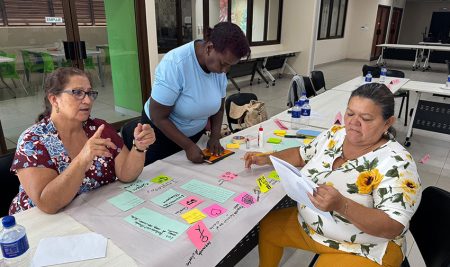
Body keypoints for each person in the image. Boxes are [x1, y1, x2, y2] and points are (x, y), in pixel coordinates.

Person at [244, 83, 422, 267]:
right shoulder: (336, 134)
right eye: (350, 113)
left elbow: (393, 226)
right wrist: (268, 158)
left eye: (366, 118)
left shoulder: (398, 163)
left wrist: (342, 205)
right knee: (269, 227)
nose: (353, 123)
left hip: (365, 249)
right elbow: (302, 154)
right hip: (311, 227)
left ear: (388, 122)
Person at [9, 67, 155, 215]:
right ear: (54, 99)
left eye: (89, 93)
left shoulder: (99, 129)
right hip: (38, 223)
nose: (87, 100)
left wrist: (139, 147)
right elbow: (48, 204)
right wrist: (82, 160)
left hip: (94, 211)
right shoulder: (33, 140)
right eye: (77, 93)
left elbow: (126, 174)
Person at [142, 22, 251, 165]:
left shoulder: (217, 67)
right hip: (160, 136)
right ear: (209, 48)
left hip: (193, 137)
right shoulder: (175, 64)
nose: (225, 70)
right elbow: (158, 117)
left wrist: (215, 137)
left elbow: (219, 107)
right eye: (223, 64)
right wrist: (187, 146)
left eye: (230, 65)